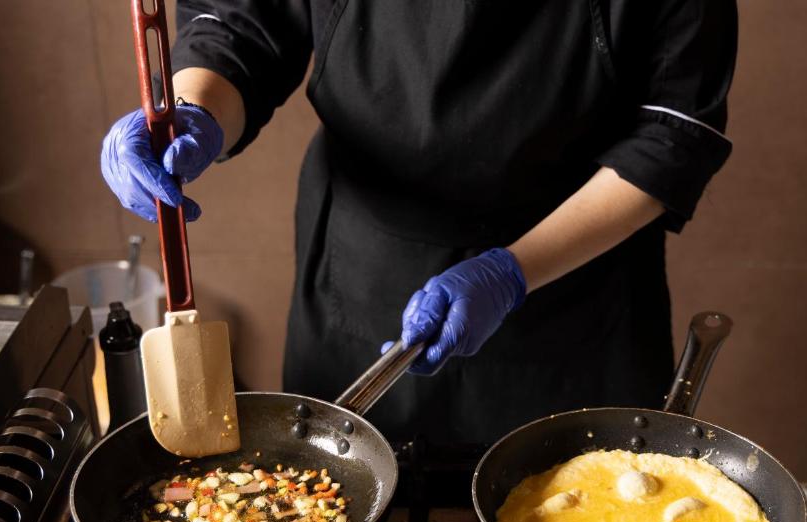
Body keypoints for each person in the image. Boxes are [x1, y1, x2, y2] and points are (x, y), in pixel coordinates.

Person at [101, 0, 738, 444]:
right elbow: (242, 27)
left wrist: (513, 271)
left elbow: (674, 133)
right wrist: (193, 112)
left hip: (577, 282)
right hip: (366, 267)